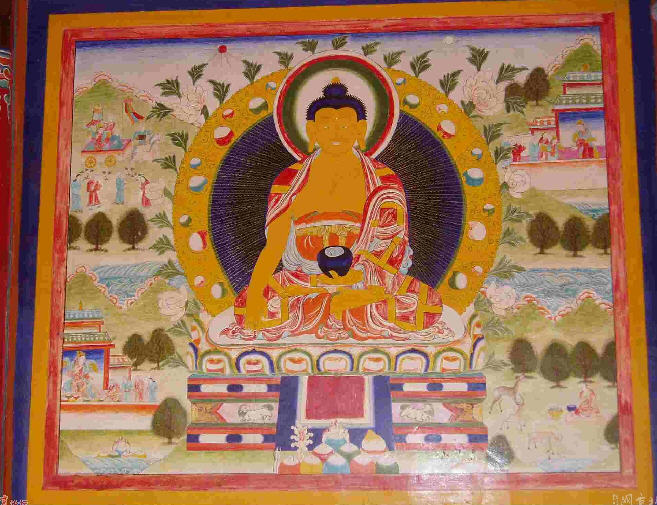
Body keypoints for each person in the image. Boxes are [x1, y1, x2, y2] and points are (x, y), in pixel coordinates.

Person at [221, 79, 449, 342]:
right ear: (312, 130)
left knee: (428, 305)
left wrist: (360, 276)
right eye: (327, 125)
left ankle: (333, 306)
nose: (336, 133)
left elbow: (392, 247)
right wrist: (256, 295)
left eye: (345, 125)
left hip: (366, 279)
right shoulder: (289, 180)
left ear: (360, 129)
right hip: (305, 279)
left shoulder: (383, 179)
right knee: (245, 305)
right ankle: (341, 306)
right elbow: (274, 247)